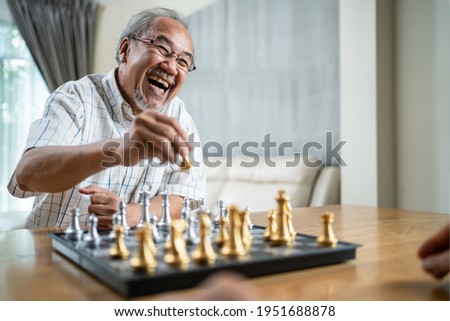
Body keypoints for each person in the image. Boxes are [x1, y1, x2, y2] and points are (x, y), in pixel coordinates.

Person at [8, 8, 206, 229]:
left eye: (183, 62)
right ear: (125, 50)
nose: (171, 66)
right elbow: (27, 174)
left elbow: (183, 194)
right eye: (162, 48)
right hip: (51, 250)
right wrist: (117, 150)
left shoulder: (179, 115)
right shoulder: (76, 97)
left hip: (125, 256)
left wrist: (130, 214)